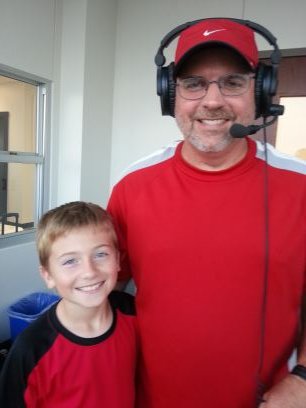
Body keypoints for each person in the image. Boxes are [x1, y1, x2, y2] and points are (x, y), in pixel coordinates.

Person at [107, 18, 306, 408]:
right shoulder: (132, 186)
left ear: (260, 92)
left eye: (233, 83)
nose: (212, 101)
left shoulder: (301, 186)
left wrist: (304, 378)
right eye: (193, 84)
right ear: (170, 95)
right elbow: (102, 290)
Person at [0, 201, 138, 408]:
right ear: (48, 276)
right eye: (70, 261)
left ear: (118, 260)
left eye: (100, 254)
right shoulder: (32, 349)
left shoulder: (133, 313)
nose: (89, 271)